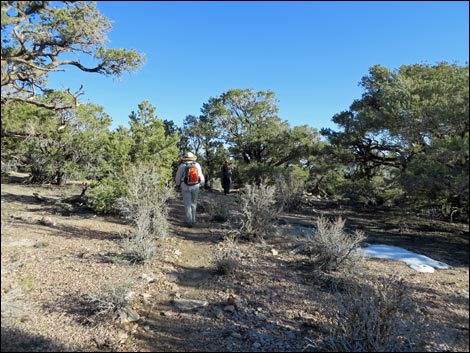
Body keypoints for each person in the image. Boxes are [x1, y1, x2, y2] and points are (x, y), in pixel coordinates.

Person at [175, 152, 205, 227]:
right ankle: (194, 219)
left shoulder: (182, 166)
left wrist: (178, 184)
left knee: (187, 204)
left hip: (185, 186)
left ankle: (189, 221)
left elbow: (178, 177)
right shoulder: (197, 165)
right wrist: (202, 184)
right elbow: (200, 175)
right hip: (195, 186)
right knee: (194, 203)